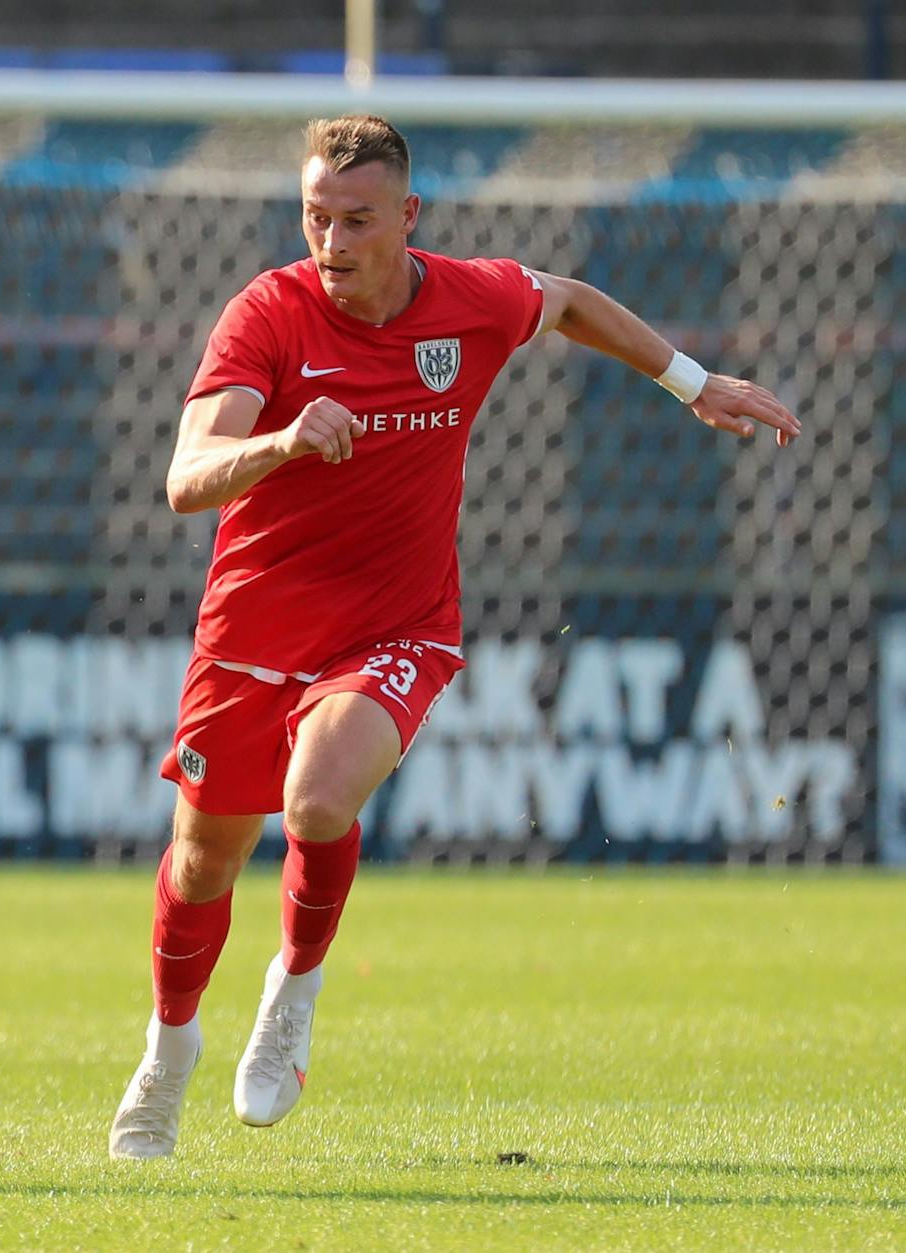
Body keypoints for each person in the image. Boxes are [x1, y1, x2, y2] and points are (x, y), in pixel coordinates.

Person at [110, 114, 800, 1159]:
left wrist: (692, 383)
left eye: (354, 220)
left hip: (396, 625)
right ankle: (166, 1051)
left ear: (406, 217)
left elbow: (563, 299)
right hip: (252, 627)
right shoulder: (267, 313)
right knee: (202, 863)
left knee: (316, 797)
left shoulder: (469, 300)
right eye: (313, 218)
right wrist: (284, 439)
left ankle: (291, 992)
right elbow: (182, 477)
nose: (330, 242)